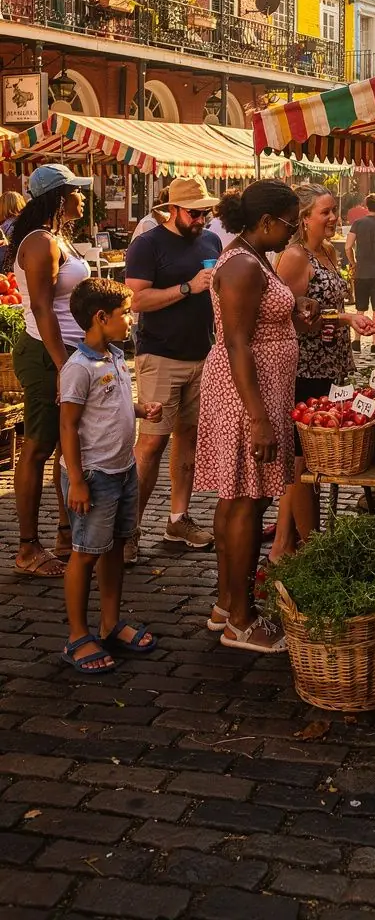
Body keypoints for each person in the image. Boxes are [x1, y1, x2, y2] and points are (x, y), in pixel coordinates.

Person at [195, 181, 318, 651]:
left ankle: (226, 604)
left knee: (237, 499)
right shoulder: (244, 265)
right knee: (246, 501)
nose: (292, 234)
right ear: (266, 222)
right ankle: (242, 621)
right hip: (247, 396)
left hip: (254, 392)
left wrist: (297, 309)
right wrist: (259, 419)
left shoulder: (252, 257)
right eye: (290, 224)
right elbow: (236, 343)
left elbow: (259, 319)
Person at [60, 278, 162, 674]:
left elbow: (111, 404)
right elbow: (68, 426)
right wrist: (80, 482)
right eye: (125, 316)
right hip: (95, 475)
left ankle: (109, 621)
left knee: (116, 546)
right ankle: (76, 635)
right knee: (85, 554)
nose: (130, 322)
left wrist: (139, 410)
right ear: (101, 318)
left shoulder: (115, 356)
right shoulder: (77, 368)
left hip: (123, 470)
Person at [271, 184, 375, 561]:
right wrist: (343, 316)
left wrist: (342, 321)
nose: (333, 218)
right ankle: (308, 540)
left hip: (331, 363)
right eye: (326, 212)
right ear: (304, 217)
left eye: (334, 211)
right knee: (302, 456)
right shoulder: (295, 257)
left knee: (312, 455)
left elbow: (319, 309)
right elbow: (282, 316)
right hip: (306, 367)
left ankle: (286, 543)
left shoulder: (327, 253)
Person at [124, 175, 221, 562]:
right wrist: (187, 288)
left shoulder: (211, 240)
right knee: (151, 442)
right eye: (195, 213)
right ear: (173, 210)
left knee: (189, 439)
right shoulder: (147, 244)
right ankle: (128, 528)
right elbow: (137, 301)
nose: (201, 219)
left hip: (202, 353)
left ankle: (177, 519)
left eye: (206, 212)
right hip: (160, 354)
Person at [10, 165, 93, 577]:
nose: (83, 198)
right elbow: (42, 307)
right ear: (59, 197)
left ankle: (65, 533)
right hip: (46, 353)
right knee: (40, 447)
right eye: (77, 191)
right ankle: (27, 548)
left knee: (66, 446)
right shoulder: (41, 242)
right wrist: (64, 365)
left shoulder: (56, 238)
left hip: (66, 351)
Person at [345, 193, 375, 357]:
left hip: (362, 272)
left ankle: (357, 342)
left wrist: (353, 263)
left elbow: (348, 246)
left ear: (366, 206)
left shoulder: (358, 224)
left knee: (360, 309)